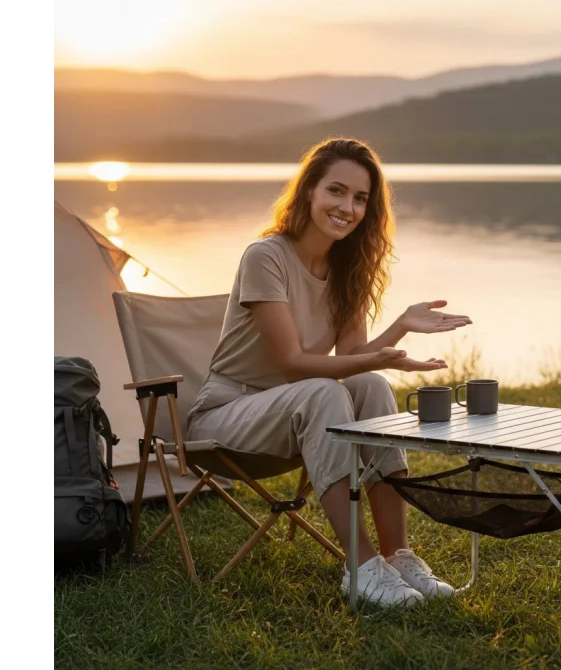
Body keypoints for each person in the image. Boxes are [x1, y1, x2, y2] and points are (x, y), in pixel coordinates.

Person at [186, 137, 473, 607]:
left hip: (296, 413)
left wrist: (398, 328)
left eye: (360, 198)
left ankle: (396, 554)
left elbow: (356, 355)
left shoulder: (348, 267)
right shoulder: (266, 256)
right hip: (227, 414)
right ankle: (360, 568)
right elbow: (292, 363)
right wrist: (378, 356)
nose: (348, 207)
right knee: (323, 390)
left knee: (371, 385)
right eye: (336, 191)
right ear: (308, 193)